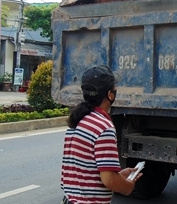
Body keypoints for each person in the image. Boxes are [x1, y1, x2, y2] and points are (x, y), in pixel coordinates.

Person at [60, 65, 142, 204]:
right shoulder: (103, 127)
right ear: (110, 94)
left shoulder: (78, 120)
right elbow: (109, 180)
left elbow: (86, 172)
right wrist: (127, 186)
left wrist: (120, 176)